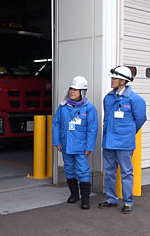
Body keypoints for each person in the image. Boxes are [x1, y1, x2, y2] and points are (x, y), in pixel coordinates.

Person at [98, 66, 147, 214]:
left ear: (123, 81)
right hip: (108, 142)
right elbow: (107, 119)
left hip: (124, 143)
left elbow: (140, 119)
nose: (111, 80)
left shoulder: (135, 99)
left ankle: (127, 202)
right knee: (109, 172)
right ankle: (111, 199)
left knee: (126, 172)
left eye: (114, 78)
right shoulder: (108, 98)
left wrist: (127, 133)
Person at [52, 76, 98, 210]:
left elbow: (92, 129)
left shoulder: (89, 108)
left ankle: (85, 199)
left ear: (82, 92)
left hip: (81, 146)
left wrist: (89, 146)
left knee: (83, 171)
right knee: (69, 169)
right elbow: (56, 124)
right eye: (71, 89)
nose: (72, 91)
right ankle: (74, 194)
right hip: (66, 145)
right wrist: (57, 141)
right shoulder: (63, 107)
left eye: (76, 90)